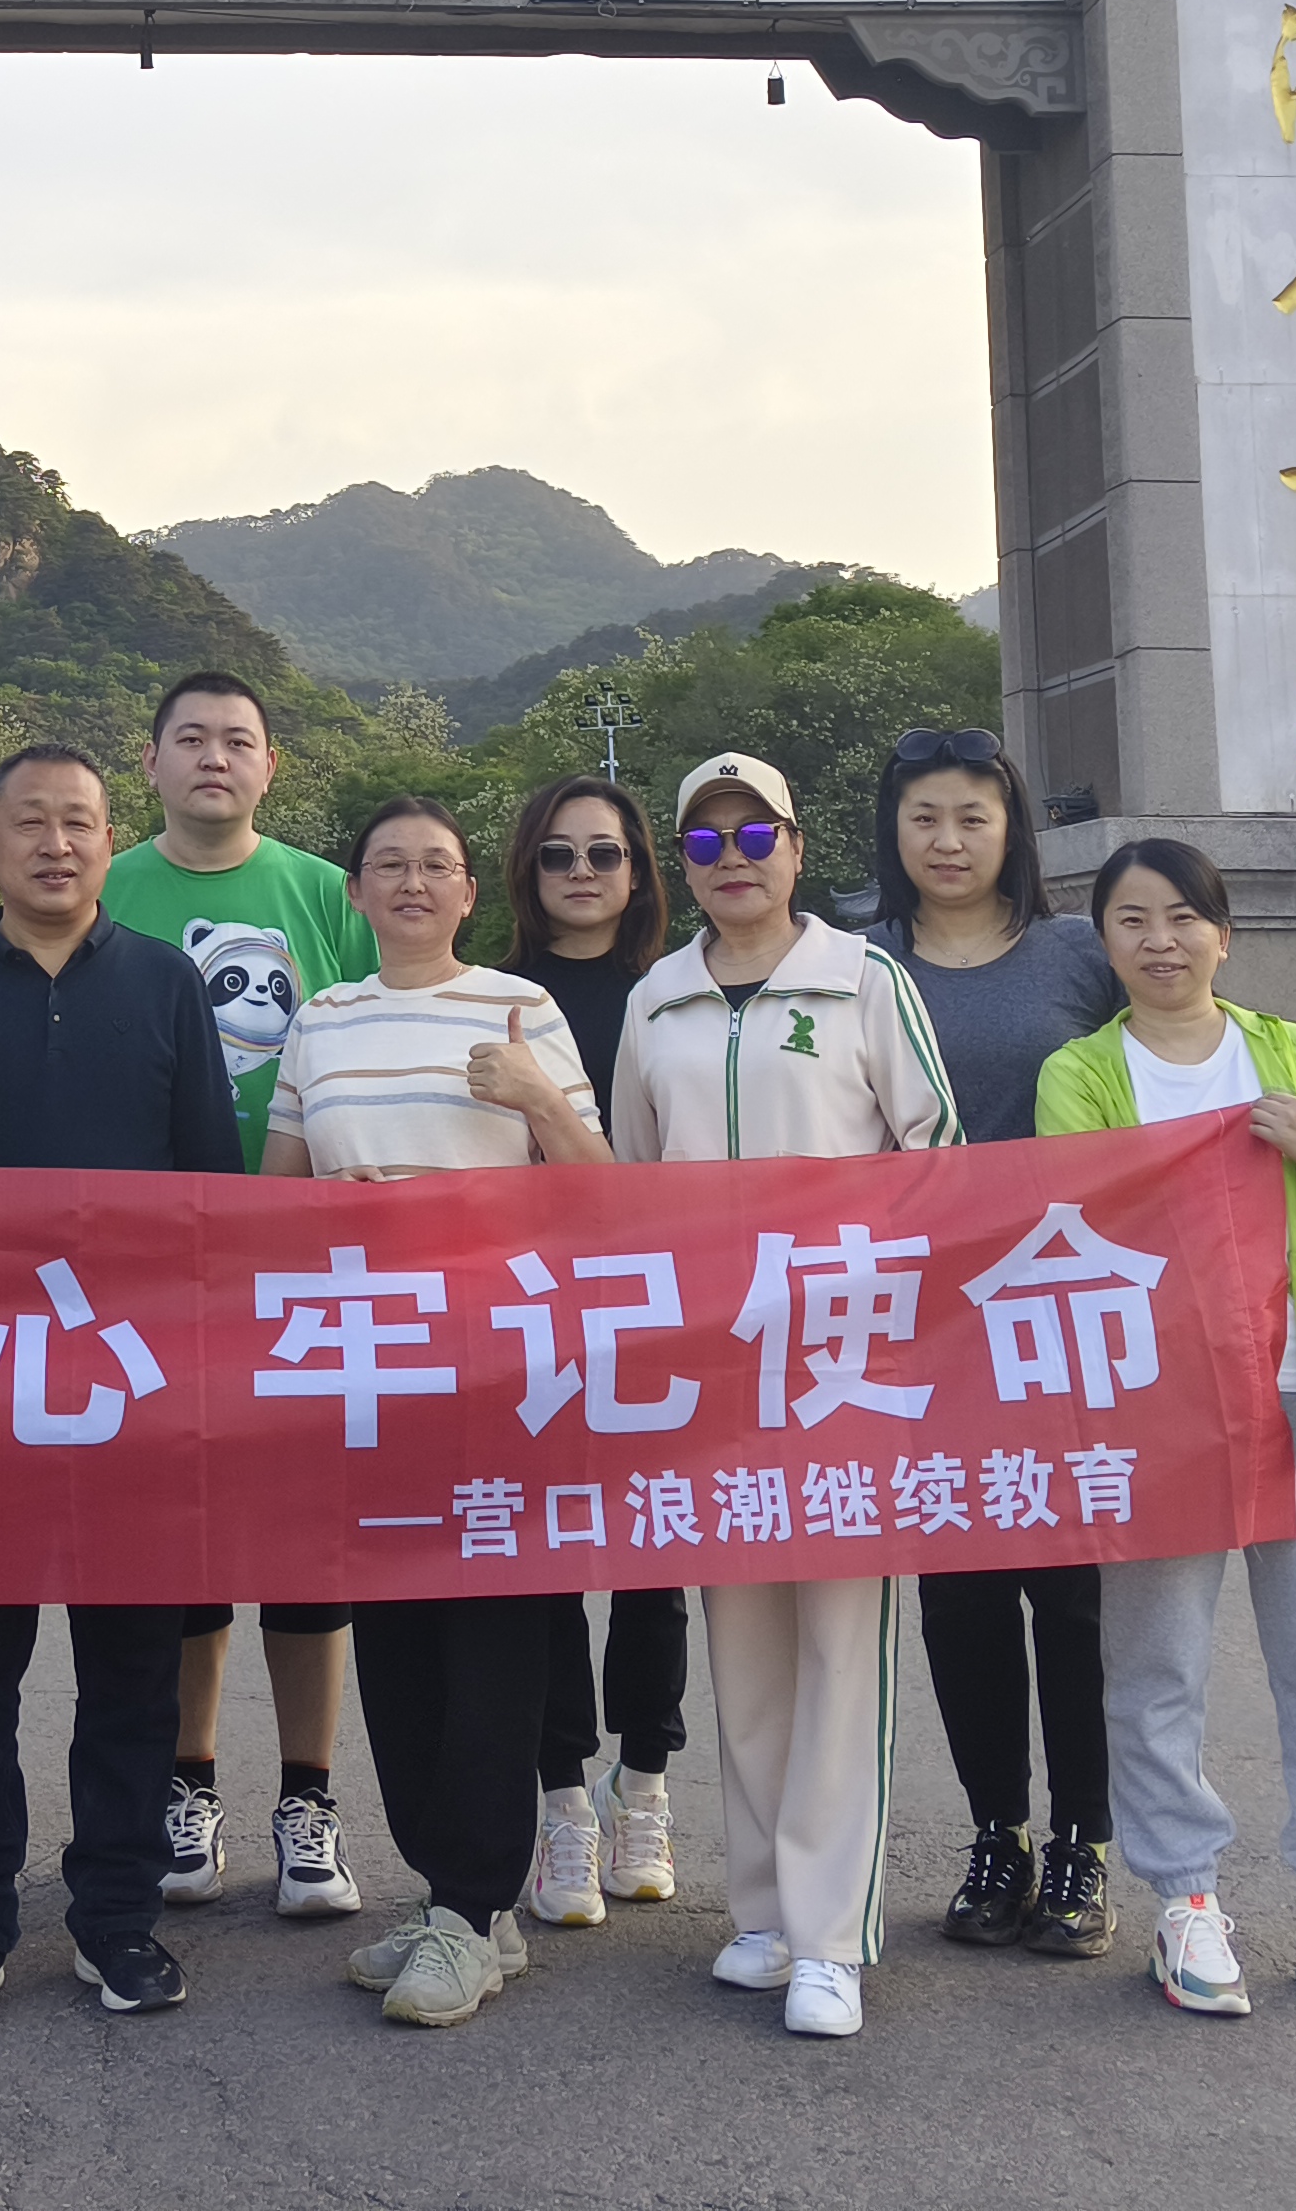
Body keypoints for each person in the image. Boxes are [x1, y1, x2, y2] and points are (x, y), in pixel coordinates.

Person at [0, 743, 240, 2029]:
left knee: (130, 1678)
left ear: (108, 839)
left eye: (79, 822)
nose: (57, 844)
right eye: (31, 822)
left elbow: (211, 1196)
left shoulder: (168, 984)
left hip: (134, 1393)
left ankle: (116, 1919)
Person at [1038, 839, 1296, 2028]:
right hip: (1161, 1415)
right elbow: (1080, 1220)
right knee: (1155, 1664)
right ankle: (1185, 1898)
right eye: (1131, 921)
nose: (1159, 941)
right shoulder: (1081, 1072)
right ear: (1103, 943)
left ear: (1225, 934)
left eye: (1182, 917)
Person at [609, 750, 958, 2042]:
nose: (733, 859)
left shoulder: (865, 982)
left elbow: (939, 1164)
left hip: (844, 1372)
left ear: (799, 850)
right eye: (705, 842)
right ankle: (760, 1912)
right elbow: (631, 1187)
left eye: (756, 835)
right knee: (744, 1649)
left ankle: (830, 1934)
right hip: (715, 1378)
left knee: (840, 1652)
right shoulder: (657, 1000)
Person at [271, 799, 612, 2028]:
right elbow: (275, 1204)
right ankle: (459, 1903)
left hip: (502, 1378)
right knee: (400, 1643)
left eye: (437, 866)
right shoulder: (323, 1019)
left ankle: (471, 1906)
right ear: (355, 892)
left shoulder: (522, 1009)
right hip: (369, 1379)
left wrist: (536, 1098)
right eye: (389, 865)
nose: (413, 882)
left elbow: (604, 1195)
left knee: (496, 1643)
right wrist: (338, 1209)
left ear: (471, 893)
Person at [98, 668, 371, 1919]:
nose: (215, 756)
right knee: (187, 1547)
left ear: (271, 766)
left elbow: (377, 1026)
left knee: (311, 1550)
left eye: (239, 740)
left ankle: (310, 1800)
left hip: (311, 1265)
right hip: (153, 1272)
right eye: (191, 738)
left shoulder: (324, 893)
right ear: (150, 761)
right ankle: (188, 1784)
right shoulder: (106, 888)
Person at [870, 724, 1129, 1961]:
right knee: (960, 1594)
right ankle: (998, 1835)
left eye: (973, 816)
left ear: (1011, 828)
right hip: (919, 1323)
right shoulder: (860, 961)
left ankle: (1084, 1842)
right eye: (925, 817)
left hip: (1057, 1316)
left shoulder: (1078, 954)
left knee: (1071, 1594)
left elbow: (1194, 1036)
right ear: (893, 833)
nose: (949, 840)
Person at [503, 771, 687, 1923]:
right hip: (531, 1306)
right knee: (550, 1568)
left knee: (654, 1564)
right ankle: (564, 1801)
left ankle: (645, 1784)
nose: (582, 873)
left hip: (664, 1300)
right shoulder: (494, 997)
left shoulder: (675, 994)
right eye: (559, 854)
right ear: (527, 871)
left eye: (605, 853)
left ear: (637, 870)